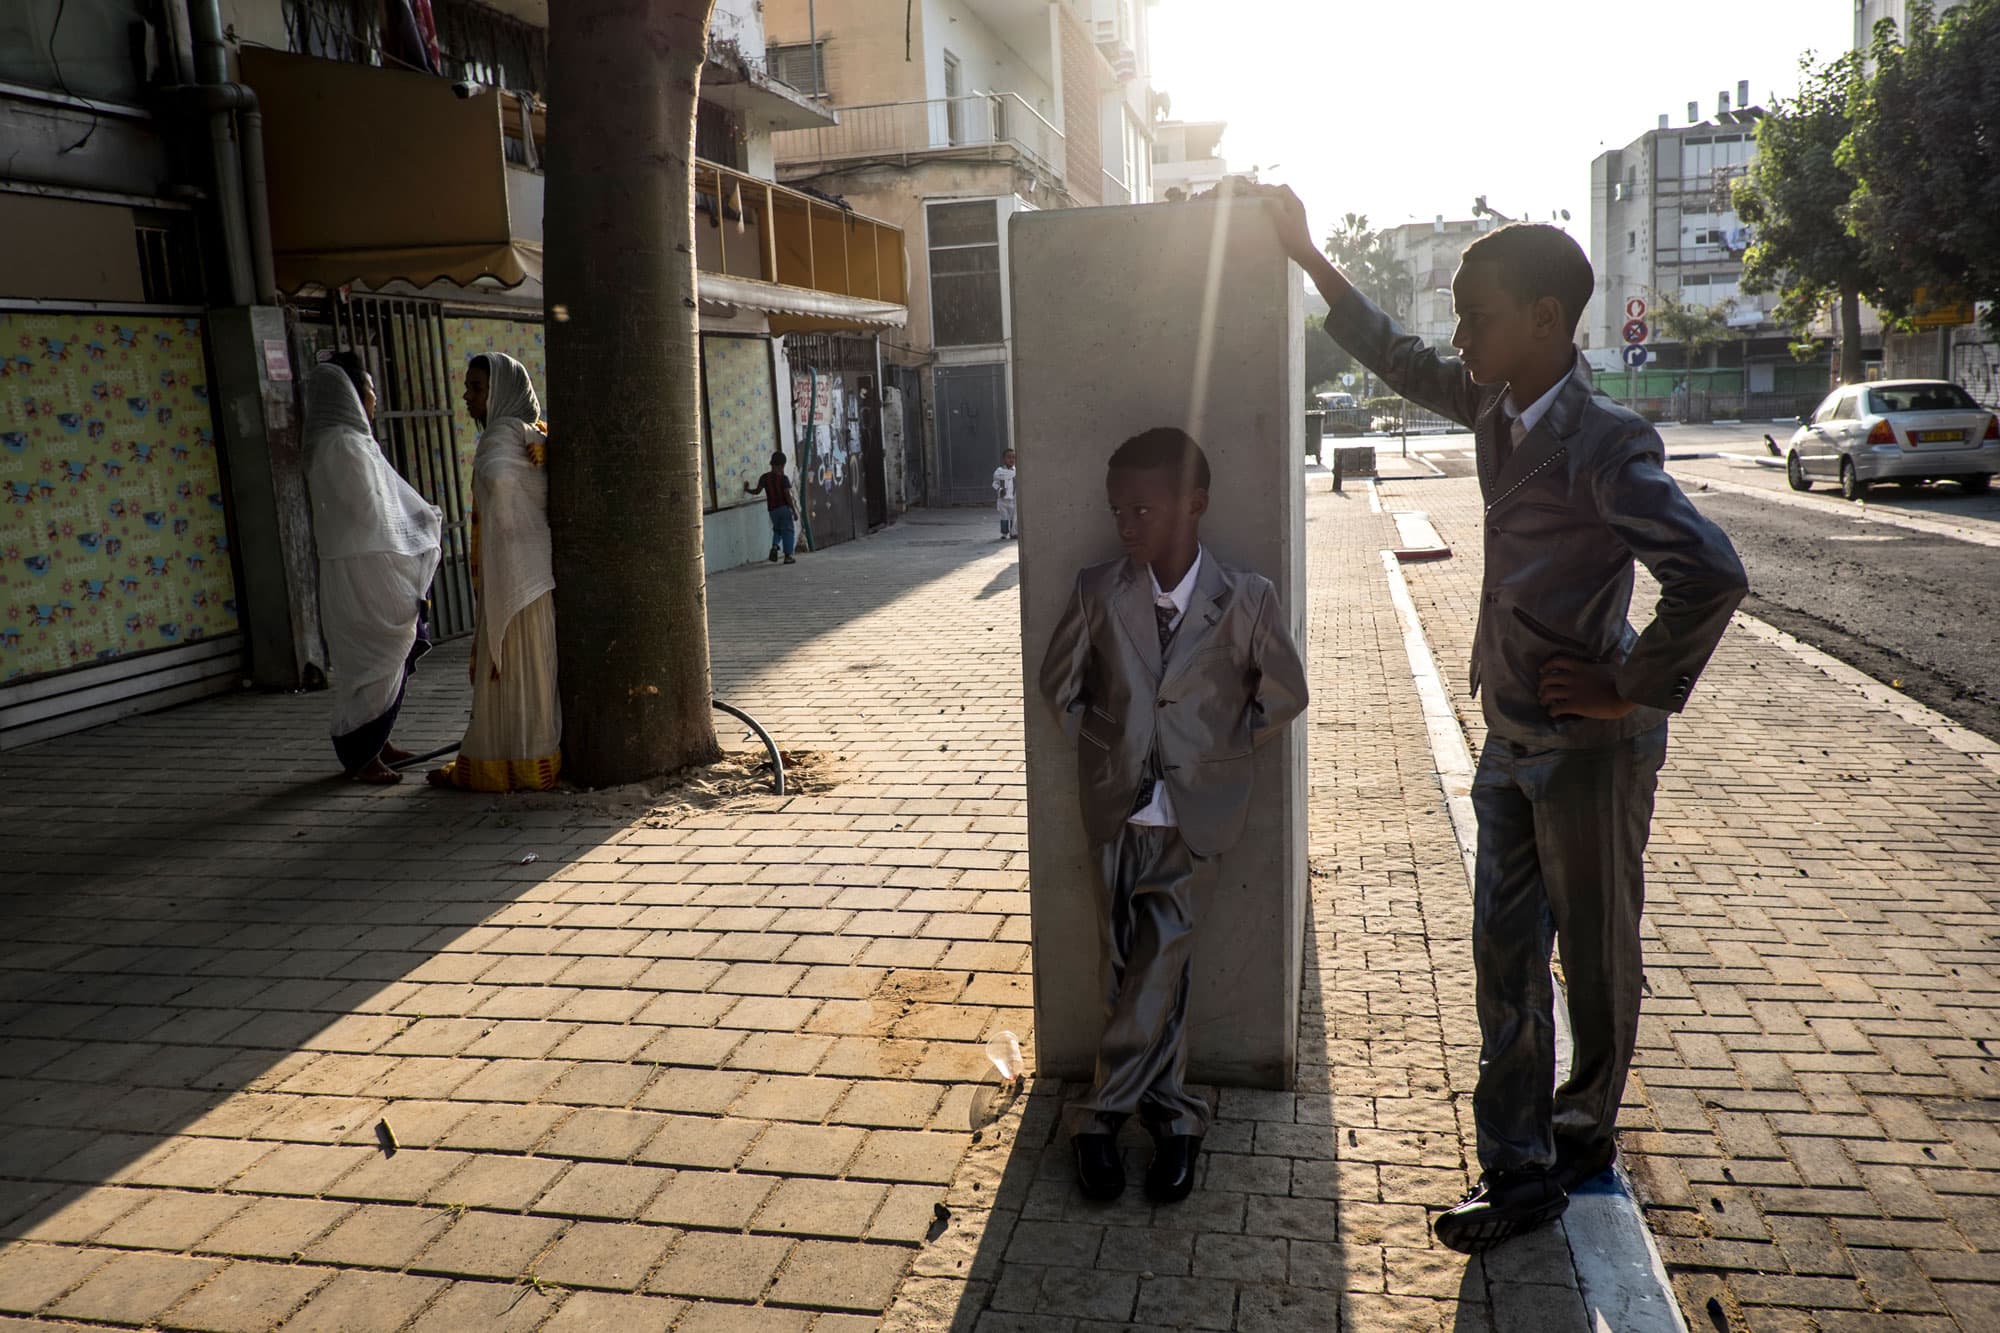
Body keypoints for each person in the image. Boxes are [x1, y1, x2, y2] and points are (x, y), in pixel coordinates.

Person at [1269, 187, 1748, 1253]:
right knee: (1502, 958)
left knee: (1596, 955)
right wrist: (1307, 252)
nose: (1456, 337)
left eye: (1473, 316)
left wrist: (1631, 687)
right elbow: (1394, 353)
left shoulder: (1603, 442)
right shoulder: (1493, 403)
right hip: (1509, 733)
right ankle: (1517, 1167)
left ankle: (1581, 1131)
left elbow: (1709, 572)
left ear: (1542, 319)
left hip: (1589, 752)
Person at [1039, 428, 1308, 1205]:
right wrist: (1106, 748)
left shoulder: (1245, 597)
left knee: (1159, 957)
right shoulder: (1099, 589)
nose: (1125, 524)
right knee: (1127, 965)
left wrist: (1221, 748)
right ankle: (1171, 1110)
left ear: (1194, 507)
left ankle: (1096, 1115)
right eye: (1116, 510)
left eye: (1143, 509)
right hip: (1115, 806)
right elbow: (1059, 687)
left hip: (1198, 814)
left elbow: (1285, 693)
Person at [303, 354, 443, 785]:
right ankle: (363, 755)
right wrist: (417, 521)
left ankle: (378, 742)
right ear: (349, 394)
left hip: (366, 567)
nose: (374, 398)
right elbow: (369, 510)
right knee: (374, 659)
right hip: (363, 571)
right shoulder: (343, 444)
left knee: (380, 659)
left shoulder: (347, 441)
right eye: (368, 390)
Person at [428, 353, 562, 791]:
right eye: (468, 387)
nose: (467, 396)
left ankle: (503, 763)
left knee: (508, 667)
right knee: (528, 670)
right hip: (531, 573)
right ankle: (529, 760)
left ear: (502, 392)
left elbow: (503, 482)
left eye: (477, 388)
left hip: (514, 572)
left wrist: (509, 529)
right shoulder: (529, 435)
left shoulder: (502, 438)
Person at [745, 451, 800, 564]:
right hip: (784, 509)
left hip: (773, 510)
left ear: (772, 463)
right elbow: (787, 495)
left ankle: (775, 546)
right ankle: (788, 556)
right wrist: (793, 510)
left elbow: (757, 491)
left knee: (778, 529)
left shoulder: (764, 477)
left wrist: (747, 489)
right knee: (788, 531)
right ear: (782, 465)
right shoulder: (783, 479)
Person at [993, 448, 1019, 540]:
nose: (1011, 459)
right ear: (1004, 459)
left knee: (1014, 517)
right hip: (1002, 500)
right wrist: (1000, 490)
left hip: (1013, 500)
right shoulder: (999, 472)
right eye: (1009, 457)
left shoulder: (1017, 471)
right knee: (1004, 517)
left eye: (1014, 457)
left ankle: (1013, 533)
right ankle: (1004, 533)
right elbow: (995, 483)